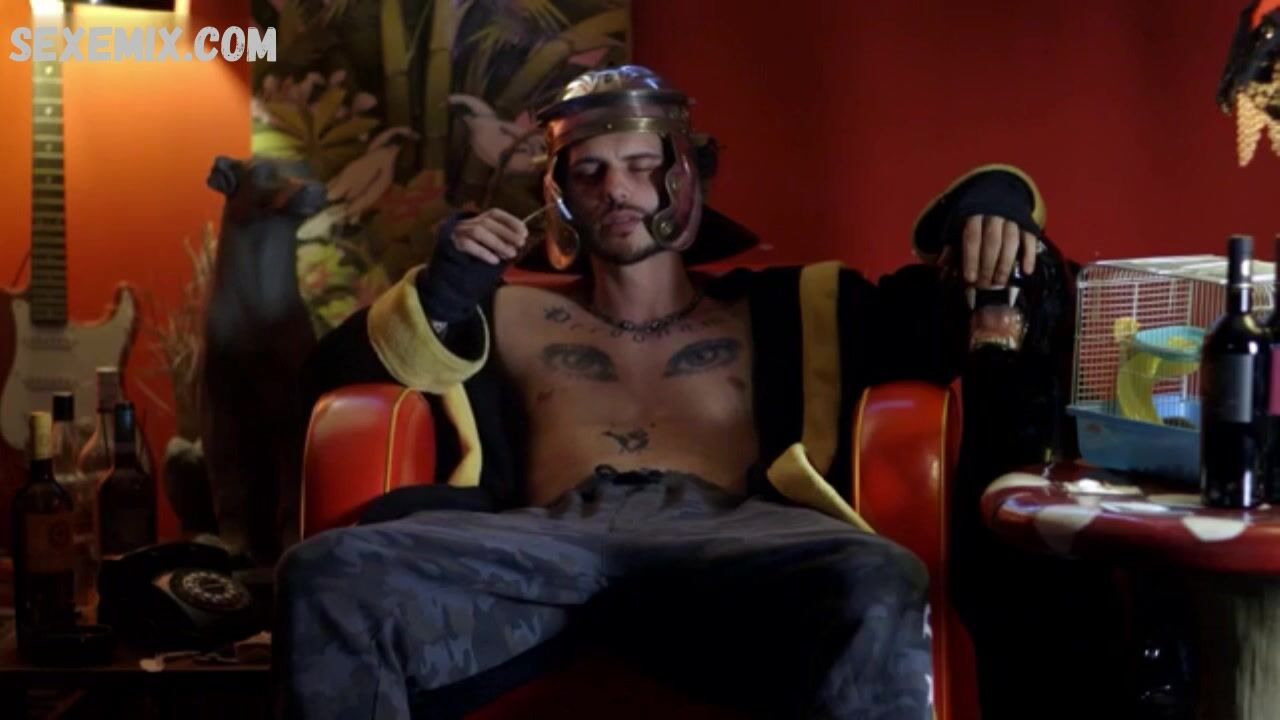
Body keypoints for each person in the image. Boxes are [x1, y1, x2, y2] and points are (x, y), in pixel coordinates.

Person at [276, 65, 1067, 720]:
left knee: (880, 578)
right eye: (589, 171)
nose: (615, 189)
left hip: (737, 545)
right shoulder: (505, 310)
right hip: (542, 547)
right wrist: (445, 292)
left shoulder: (794, 307)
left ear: (685, 176)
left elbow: (978, 310)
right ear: (560, 193)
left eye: (640, 165)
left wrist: (992, 201)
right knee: (328, 573)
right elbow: (325, 386)